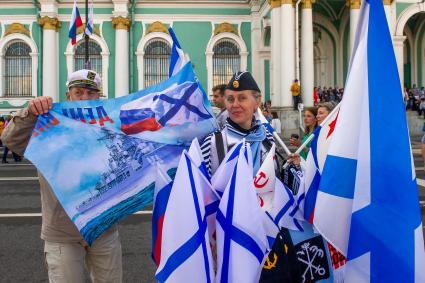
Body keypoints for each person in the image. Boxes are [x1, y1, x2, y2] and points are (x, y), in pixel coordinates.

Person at [1, 69, 122, 283]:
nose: (84, 98)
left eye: (91, 93)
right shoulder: (47, 125)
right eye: (79, 92)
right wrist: (30, 113)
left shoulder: (111, 126)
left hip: (104, 227)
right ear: (68, 96)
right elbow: (12, 141)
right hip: (63, 232)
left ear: (99, 97)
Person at [200, 71, 302, 282]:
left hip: (266, 236)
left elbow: (276, 188)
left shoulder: (267, 142)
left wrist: (292, 168)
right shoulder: (213, 143)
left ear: (257, 102)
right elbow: (204, 194)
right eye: (230, 99)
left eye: (242, 98)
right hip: (227, 237)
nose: (235, 104)